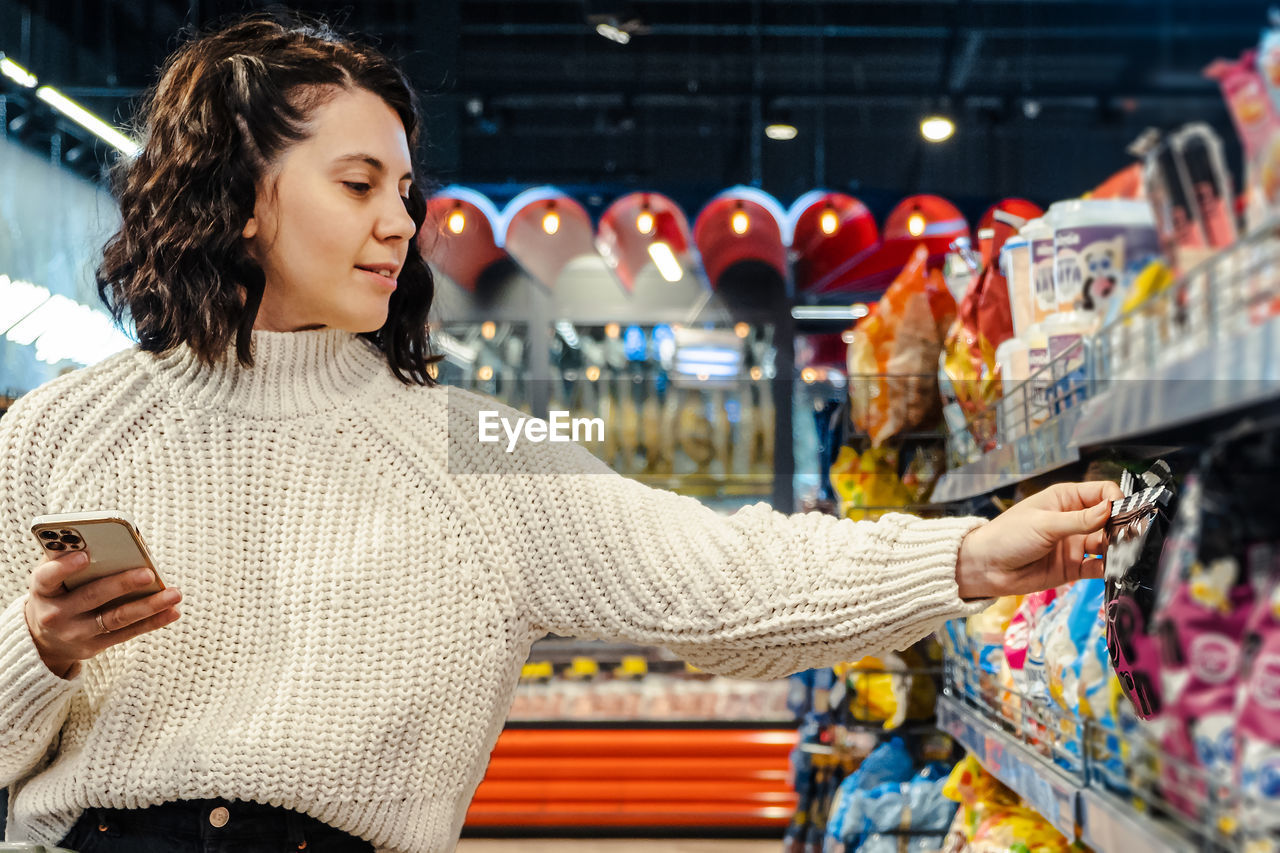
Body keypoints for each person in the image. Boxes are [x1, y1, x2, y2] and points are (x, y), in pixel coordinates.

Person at [0, 13, 1123, 853]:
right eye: (356, 183)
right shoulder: (60, 433)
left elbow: (724, 579)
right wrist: (38, 651)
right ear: (239, 196)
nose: (400, 222)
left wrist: (967, 553)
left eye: (405, 188)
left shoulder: (470, 446)